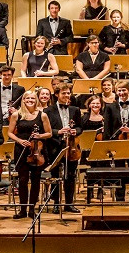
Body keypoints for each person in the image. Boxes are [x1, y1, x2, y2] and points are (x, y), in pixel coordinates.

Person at [7, 87, 52, 219]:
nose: (30, 100)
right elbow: (9, 133)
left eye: (32, 98)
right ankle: (22, 210)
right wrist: (20, 141)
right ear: (23, 100)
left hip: (37, 150)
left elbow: (49, 133)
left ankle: (32, 209)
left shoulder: (42, 115)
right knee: (22, 180)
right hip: (21, 149)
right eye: (27, 98)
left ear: (36, 100)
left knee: (36, 180)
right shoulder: (17, 115)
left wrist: (39, 136)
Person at [45, 84, 83, 212]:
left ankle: (69, 203)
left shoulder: (75, 109)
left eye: (68, 93)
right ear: (56, 95)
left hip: (72, 147)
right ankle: (56, 203)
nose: (67, 96)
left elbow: (80, 127)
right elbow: (46, 129)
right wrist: (58, 132)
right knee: (56, 175)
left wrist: (75, 131)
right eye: (64, 93)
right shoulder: (48, 111)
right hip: (55, 146)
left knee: (70, 175)